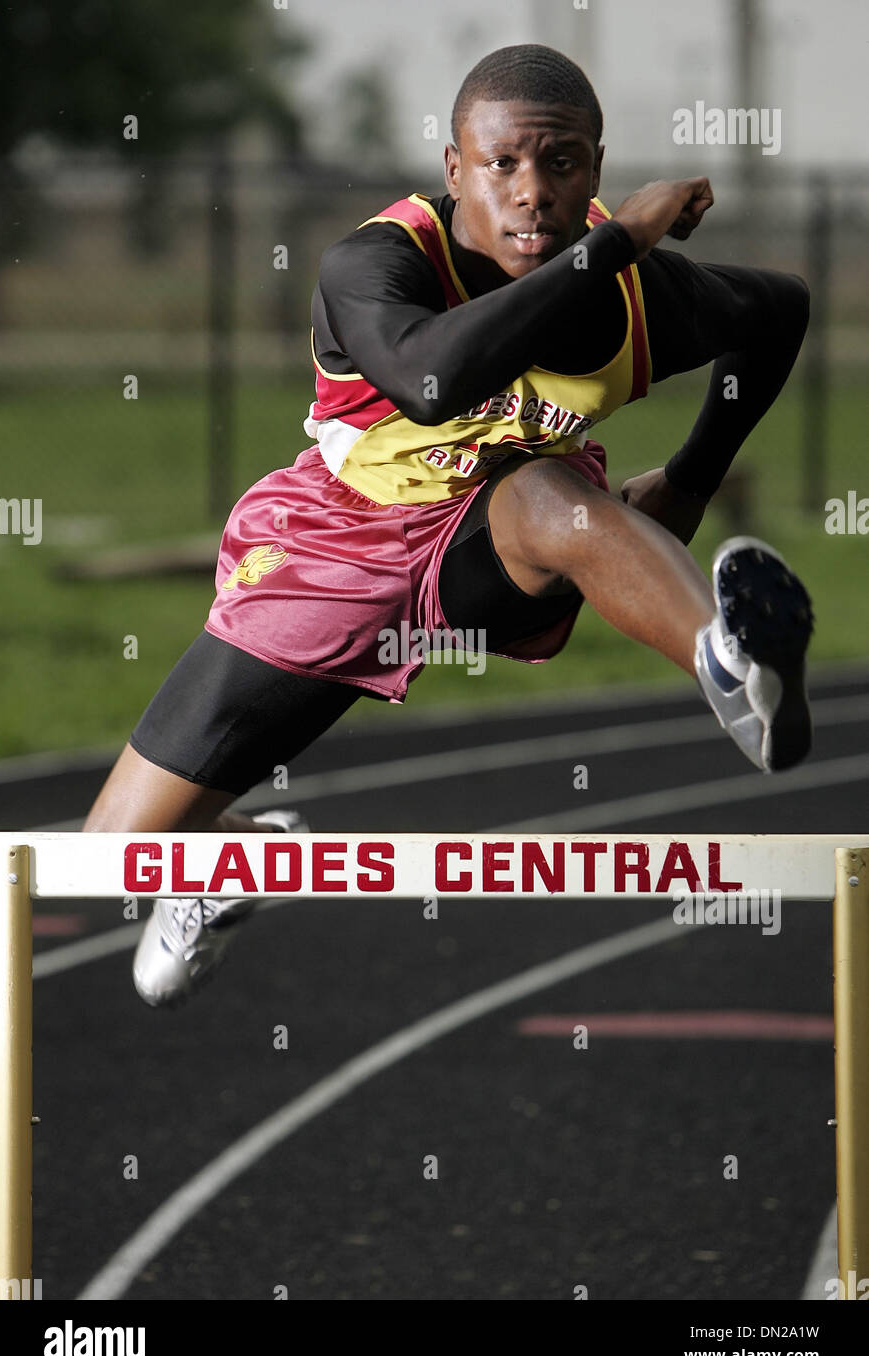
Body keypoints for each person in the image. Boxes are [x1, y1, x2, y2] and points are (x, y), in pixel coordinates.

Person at [83, 44, 814, 1007]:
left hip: (499, 537)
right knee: (106, 862)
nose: (532, 194)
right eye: (503, 164)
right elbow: (432, 383)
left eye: (561, 165)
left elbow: (779, 313)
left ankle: (731, 669)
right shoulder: (374, 263)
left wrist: (687, 480)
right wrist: (608, 247)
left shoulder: (646, 296)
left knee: (556, 502)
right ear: (454, 170)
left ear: (594, 168)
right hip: (337, 544)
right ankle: (221, 869)